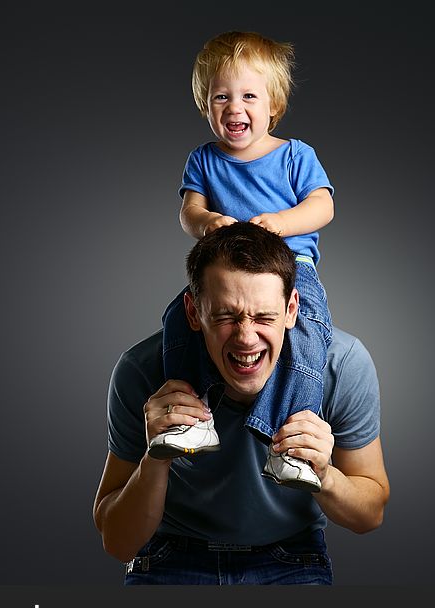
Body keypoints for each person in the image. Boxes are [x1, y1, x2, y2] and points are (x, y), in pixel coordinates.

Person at [93, 222, 389, 584]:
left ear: (293, 308)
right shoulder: (143, 369)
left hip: (291, 557)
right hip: (170, 555)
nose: (246, 338)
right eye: (225, 316)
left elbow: (370, 515)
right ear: (193, 313)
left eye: (265, 317)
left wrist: (325, 476)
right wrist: (156, 459)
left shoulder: (340, 365)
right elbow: (118, 542)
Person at [154, 31, 335, 492]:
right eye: (221, 97)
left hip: (290, 266)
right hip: (223, 277)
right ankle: (191, 417)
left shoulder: (295, 154)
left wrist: (282, 220)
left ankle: (293, 438)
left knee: (310, 330)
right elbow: (188, 212)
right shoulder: (203, 159)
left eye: (249, 95)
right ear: (205, 107)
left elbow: (323, 206)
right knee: (179, 318)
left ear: (273, 103)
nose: (235, 107)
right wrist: (209, 221)